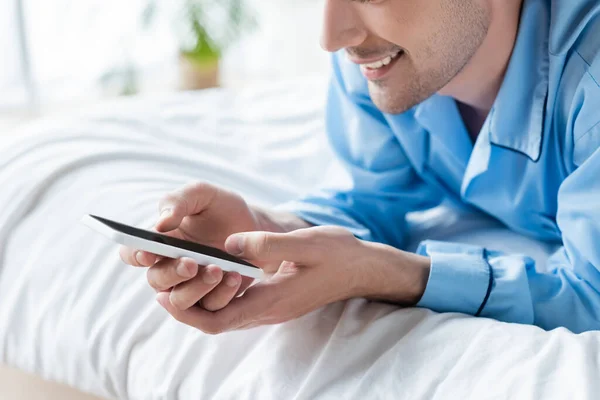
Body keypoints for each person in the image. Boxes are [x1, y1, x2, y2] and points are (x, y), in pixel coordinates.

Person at [120, 0, 600, 334]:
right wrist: (268, 229)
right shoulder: (385, 64)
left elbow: (592, 297)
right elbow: (375, 198)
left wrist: (384, 273)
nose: (332, 37)